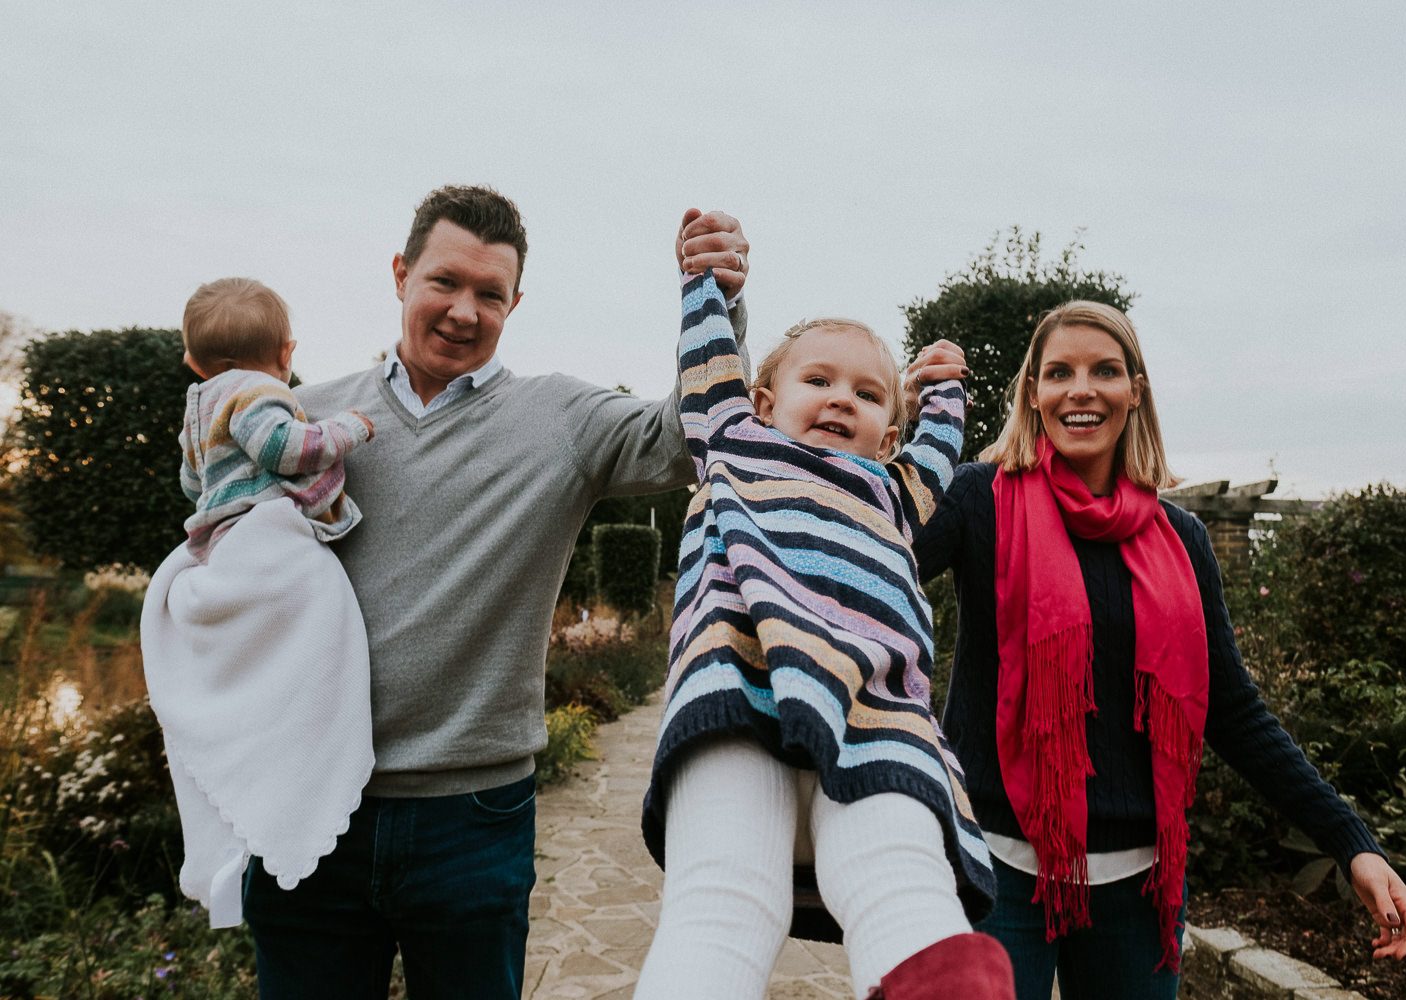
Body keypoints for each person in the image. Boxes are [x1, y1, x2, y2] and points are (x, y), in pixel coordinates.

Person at [239, 187, 753, 1000]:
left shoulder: (559, 421)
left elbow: (690, 440)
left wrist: (717, 304)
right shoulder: (304, 419)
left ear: (516, 302)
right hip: (310, 807)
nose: (463, 311)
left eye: (490, 293)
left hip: (472, 817)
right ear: (402, 274)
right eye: (444, 282)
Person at [911, 300, 1406, 1000]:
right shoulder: (980, 499)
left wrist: (1352, 842)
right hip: (995, 875)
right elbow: (862, 566)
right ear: (1033, 393)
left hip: (1138, 891)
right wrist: (912, 447)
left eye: (1105, 370)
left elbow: (1234, 712)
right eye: (1058, 372)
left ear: (1135, 392)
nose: (1081, 389)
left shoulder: (1181, 540)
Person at [635, 268, 1015, 1000]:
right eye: (820, 380)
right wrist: (705, 280)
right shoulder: (735, 440)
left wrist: (942, 385)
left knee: (908, 885)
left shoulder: (895, 493)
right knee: (725, 900)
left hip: (878, 717)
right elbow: (707, 361)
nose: (843, 397)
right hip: (736, 690)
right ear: (765, 401)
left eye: (869, 394)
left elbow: (940, 446)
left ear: (889, 436)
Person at [141, 277, 377, 929]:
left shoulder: (197, 405)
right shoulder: (259, 393)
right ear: (285, 351)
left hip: (216, 536)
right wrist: (349, 429)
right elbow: (289, 449)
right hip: (265, 533)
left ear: (192, 361)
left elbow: (194, 479)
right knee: (321, 625)